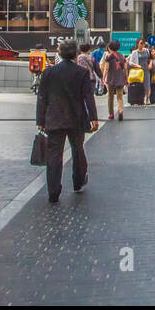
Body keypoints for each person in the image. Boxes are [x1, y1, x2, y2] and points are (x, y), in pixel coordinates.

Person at [36, 41, 99, 203]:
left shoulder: (49, 73)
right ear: (76, 54)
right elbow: (88, 97)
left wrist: (40, 119)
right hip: (76, 118)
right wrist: (93, 117)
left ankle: (53, 191)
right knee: (78, 149)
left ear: (60, 53)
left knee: (54, 155)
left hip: (54, 118)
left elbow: (42, 97)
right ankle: (78, 181)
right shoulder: (82, 73)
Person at [100, 40, 127, 121]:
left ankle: (111, 114)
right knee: (120, 96)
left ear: (109, 47)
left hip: (111, 78)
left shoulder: (108, 56)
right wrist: (127, 78)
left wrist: (103, 79)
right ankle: (120, 110)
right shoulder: (122, 56)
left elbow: (106, 69)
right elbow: (125, 68)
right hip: (120, 77)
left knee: (110, 97)